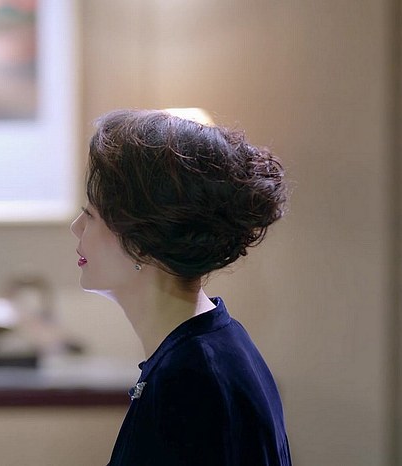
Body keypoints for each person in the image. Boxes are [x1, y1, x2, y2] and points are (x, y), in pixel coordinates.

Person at [70, 109, 291, 465]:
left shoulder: (190, 380)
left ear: (142, 240)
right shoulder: (209, 347)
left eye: (91, 215)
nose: (76, 227)